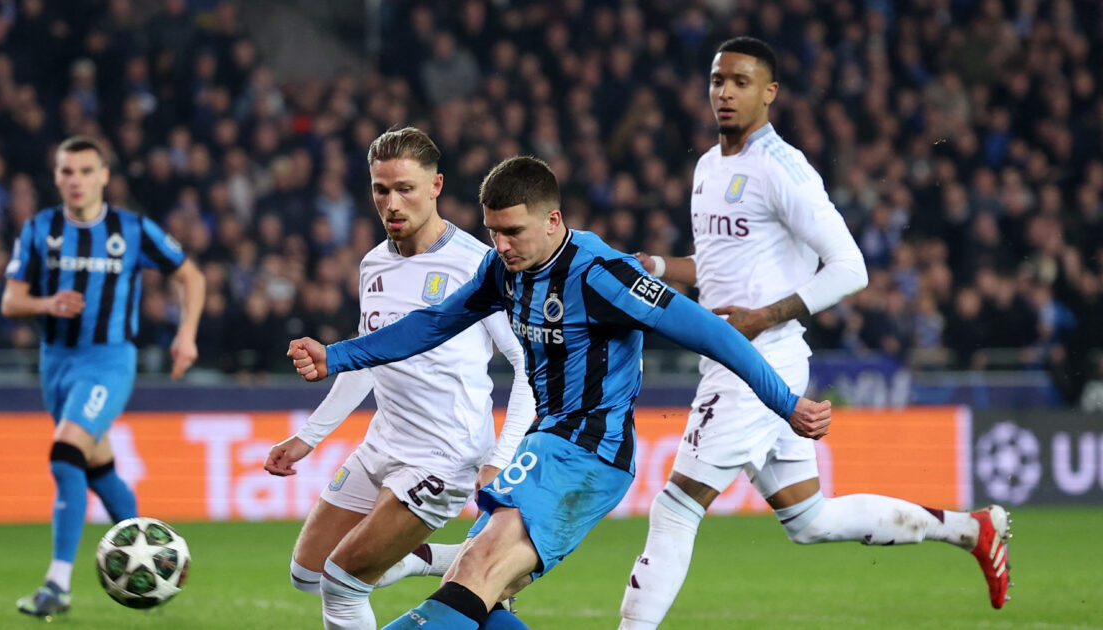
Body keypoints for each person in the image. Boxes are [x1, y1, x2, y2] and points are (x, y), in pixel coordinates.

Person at [287, 155, 834, 630]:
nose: (501, 246)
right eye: (493, 232)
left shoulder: (601, 275)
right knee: (485, 591)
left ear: (553, 220)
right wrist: (337, 356)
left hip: (588, 452)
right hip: (547, 443)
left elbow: (713, 333)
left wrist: (786, 404)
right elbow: (432, 324)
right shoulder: (502, 270)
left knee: (477, 571)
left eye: (513, 232)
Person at [617, 37, 1012, 629]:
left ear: (769, 93)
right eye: (718, 80)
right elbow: (719, 268)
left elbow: (851, 268)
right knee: (810, 520)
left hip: (757, 365)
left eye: (741, 82)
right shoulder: (708, 167)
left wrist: (761, 318)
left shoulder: (783, 169)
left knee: (674, 508)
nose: (726, 92)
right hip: (739, 358)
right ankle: (970, 529)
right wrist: (656, 266)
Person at [263, 127, 535, 630]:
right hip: (383, 444)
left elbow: (528, 365)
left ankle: (476, 565)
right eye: (380, 189)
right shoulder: (373, 265)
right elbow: (369, 357)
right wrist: (308, 437)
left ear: (435, 186)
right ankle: (448, 560)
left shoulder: (478, 265)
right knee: (307, 572)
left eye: (405, 189)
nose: (391, 203)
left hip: (445, 454)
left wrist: (500, 458)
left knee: (341, 584)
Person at [3, 135, 205, 617]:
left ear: (104, 176)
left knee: (65, 454)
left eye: (86, 171)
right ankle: (155, 567)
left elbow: (191, 276)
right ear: (57, 178)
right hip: (56, 364)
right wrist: (47, 304)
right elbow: (11, 301)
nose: (76, 180)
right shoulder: (39, 229)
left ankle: (57, 585)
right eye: (67, 171)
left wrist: (186, 335)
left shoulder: (130, 229)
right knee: (98, 470)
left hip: (108, 361)